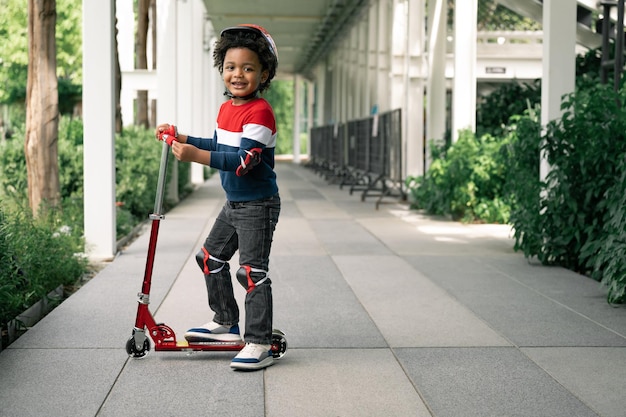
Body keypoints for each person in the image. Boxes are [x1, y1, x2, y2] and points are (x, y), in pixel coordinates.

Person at [155, 24, 280, 371]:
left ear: (264, 73)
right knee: (210, 258)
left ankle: (259, 342)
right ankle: (226, 321)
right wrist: (181, 136)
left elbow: (243, 161)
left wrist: (195, 156)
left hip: (258, 204)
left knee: (252, 272)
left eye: (248, 68)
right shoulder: (226, 110)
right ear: (221, 69)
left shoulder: (260, 113)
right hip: (235, 204)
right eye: (230, 67)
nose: (237, 74)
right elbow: (217, 145)